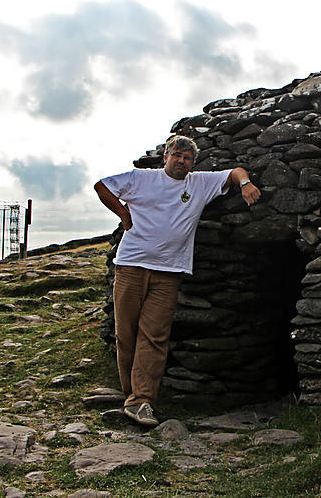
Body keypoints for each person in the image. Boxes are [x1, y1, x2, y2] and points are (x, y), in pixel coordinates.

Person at [94, 135, 260, 427]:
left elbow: (236, 172)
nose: (181, 160)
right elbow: (102, 186)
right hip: (131, 266)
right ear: (166, 157)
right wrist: (123, 214)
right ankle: (129, 391)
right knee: (125, 333)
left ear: (193, 163)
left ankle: (141, 400)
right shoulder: (140, 179)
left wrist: (246, 184)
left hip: (169, 271)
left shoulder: (199, 183)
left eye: (187, 158)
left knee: (154, 335)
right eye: (176, 155)